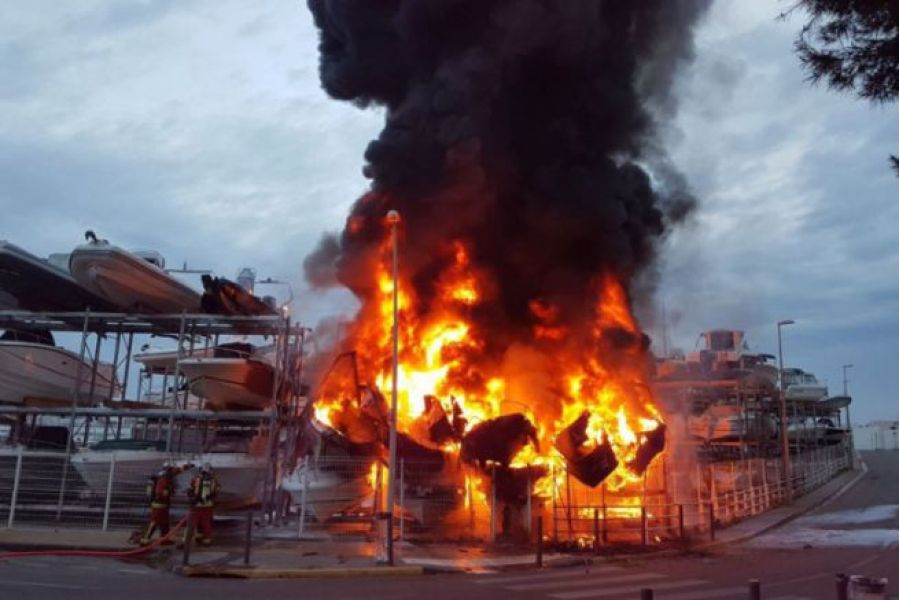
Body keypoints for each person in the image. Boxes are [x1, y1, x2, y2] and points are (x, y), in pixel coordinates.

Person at [136, 460, 191, 546]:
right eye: (171, 469)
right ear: (168, 469)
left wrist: (186, 467)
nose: (173, 471)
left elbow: (176, 472)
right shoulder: (163, 478)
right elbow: (160, 492)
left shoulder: (167, 476)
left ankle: (164, 539)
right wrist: (169, 492)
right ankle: (144, 540)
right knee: (154, 522)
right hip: (159, 505)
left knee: (165, 523)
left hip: (164, 505)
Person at [184, 462, 220, 546]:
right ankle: (207, 540)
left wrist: (192, 499)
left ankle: (189, 540)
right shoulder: (213, 480)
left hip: (196, 505)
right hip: (208, 505)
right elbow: (216, 490)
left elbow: (189, 490)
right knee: (206, 523)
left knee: (193, 523)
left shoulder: (196, 479)